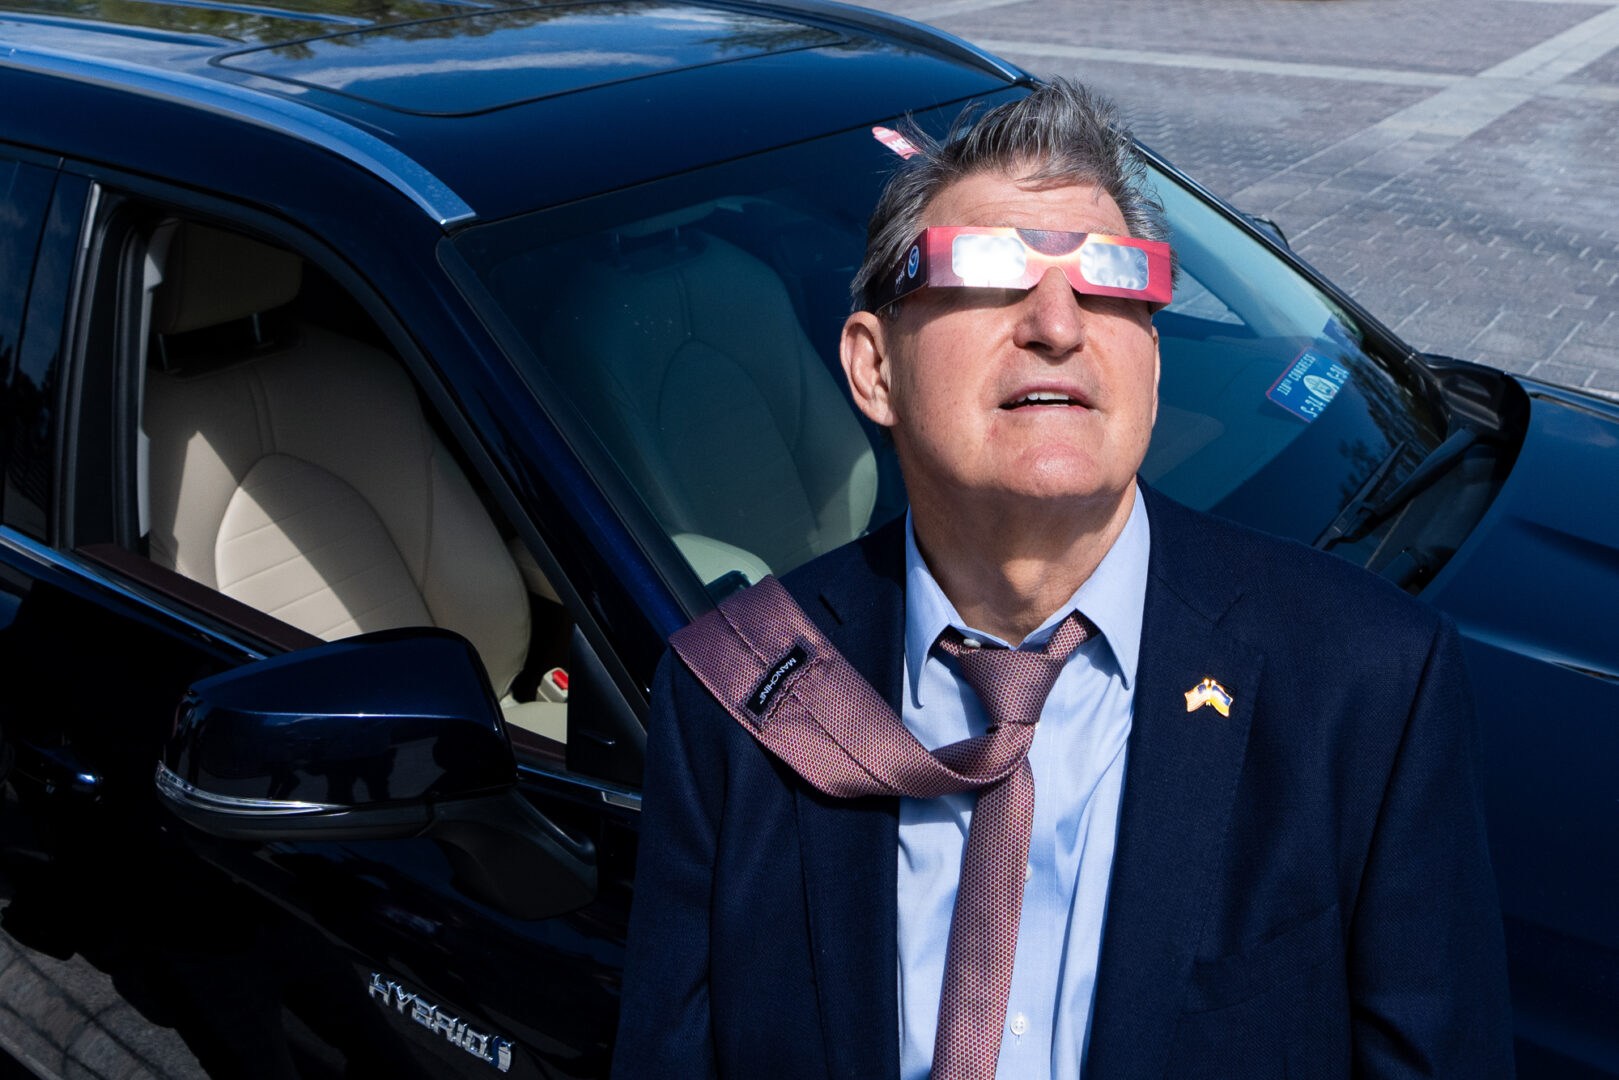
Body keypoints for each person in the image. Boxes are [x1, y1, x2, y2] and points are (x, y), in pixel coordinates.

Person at [612, 79, 1514, 1079]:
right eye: (988, 273)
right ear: (873, 370)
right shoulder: (737, 695)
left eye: (1111, 280)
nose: (1057, 322)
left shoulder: (1365, 684)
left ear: (1152, 362)